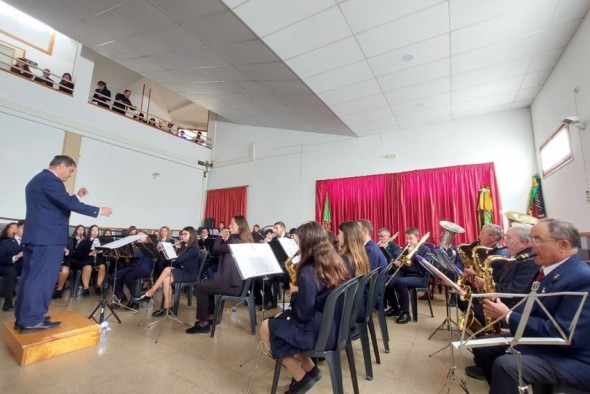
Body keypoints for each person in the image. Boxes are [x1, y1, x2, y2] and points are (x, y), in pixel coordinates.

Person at [469, 218, 590, 393]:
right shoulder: (552, 270)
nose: (531, 245)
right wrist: (514, 331)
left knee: (508, 366)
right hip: (550, 345)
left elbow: (565, 334)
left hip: (573, 358)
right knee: (484, 346)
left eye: (537, 239)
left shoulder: (581, 278)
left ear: (563, 245)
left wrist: (509, 316)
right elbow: (541, 314)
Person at [15, 155, 112, 333]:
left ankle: (24, 317)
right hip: (48, 239)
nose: (69, 175)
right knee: (42, 280)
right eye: (70, 171)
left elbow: (60, 202)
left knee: (31, 279)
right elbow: (65, 203)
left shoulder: (38, 180)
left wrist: (76, 196)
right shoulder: (50, 180)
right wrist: (99, 211)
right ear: (61, 165)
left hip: (37, 238)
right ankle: (32, 320)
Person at [260, 221, 350, 394]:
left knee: (266, 327)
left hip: (320, 331)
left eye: (298, 241)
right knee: (280, 319)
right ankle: (311, 369)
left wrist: (294, 293)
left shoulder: (309, 272)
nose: (297, 245)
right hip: (333, 325)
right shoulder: (334, 261)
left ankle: (300, 377)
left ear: (307, 244)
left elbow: (302, 315)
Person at [465, 223, 539, 381]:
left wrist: (486, 286)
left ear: (524, 242)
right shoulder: (517, 258)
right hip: (506, 304)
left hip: (512, 307)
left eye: (509, 238)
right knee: (474, 308)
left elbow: (515, 292)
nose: (504, 241)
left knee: (479, 315)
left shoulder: (527, 261)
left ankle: (488, 366)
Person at [186, 216, 252, 334]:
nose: (229, 225)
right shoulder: (240, 240)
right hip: (236, 283)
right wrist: (226, 239)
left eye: (232, 224)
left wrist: (220, 236)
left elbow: (216, 249)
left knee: (200, 288)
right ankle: (211, 316)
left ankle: (203, 324)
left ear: (240, 226)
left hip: (232, 285)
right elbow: (223, 254)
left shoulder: (234, 242)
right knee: (207, 284)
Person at [134, 227, 200, 316]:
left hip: (189, 274)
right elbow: (178, 259)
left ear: (191, 235)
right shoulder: (186, 245)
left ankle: (150, 292)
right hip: (183, 270)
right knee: (166, 280)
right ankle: (167, 307)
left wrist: (170, 252)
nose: (182, 236)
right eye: (182, 234)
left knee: (167, 269)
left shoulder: (193, 247)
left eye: (185, 234)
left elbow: (179, 260)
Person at [384, 227, 431, 324]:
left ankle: (406, 313)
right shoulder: (407, 248)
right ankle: (394, 307)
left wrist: (413, 254)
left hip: (420, 277)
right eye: (406, 238)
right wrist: (399, 264)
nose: (408, 241)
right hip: (407, 274)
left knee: (400, 282)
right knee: (387, 279)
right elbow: (405, 265)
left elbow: (425, 268)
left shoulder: (425, 250)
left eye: (411, 238)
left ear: (417, 238)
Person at [71, 225, 107, 296]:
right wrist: (89, 254)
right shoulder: (84, 241)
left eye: (96, 230)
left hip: (96, 260)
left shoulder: (100, 241)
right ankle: (86, 288)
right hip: (85, 260)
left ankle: (98, 286)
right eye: (93, 230)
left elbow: (103, 254)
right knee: (88, 267)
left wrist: (101, 252)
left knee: (102, 266)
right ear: (90, 231)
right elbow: (77, 255)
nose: (95, 232)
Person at [0, 221, 24, 311]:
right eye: (22, 228)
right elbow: (1, 259)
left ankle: (26, 301)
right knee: (11, 271)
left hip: (22, 267)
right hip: (6, 266)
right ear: (17, 229)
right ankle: (8, 301)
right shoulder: (5, 243)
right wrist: (16, 256)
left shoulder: (29, 244)